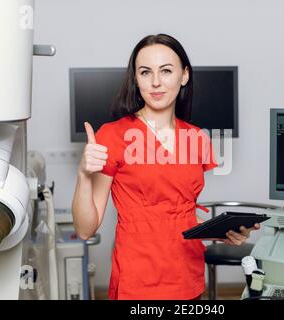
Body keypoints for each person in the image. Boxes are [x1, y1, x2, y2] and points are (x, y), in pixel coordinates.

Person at [72, 34, 260, 300]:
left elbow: (178, 215)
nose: (156, 82)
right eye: (146, 72)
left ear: (184, 76)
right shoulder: (112, 136)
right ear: (136, 80)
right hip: (137, 282)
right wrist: (83, 175)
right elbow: (84, 229)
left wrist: (220, 232)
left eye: (166, 71)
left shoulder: (196, 138)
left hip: (188, 278)